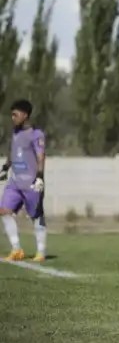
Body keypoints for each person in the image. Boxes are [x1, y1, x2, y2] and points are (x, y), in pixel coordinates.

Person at [0, 100, 48, 262]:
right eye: (12, 114)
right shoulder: (15, 132)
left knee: (36, 216)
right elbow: (13, 151)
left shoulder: (36, 134)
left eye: (15, 114)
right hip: (15, 182)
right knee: (4, 211)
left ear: (25, 115)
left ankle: (40, 252)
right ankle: (16, 249)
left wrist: (40, 177)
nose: (12, 117)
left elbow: (41, 156)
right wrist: (6, 167)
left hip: (31, 182)